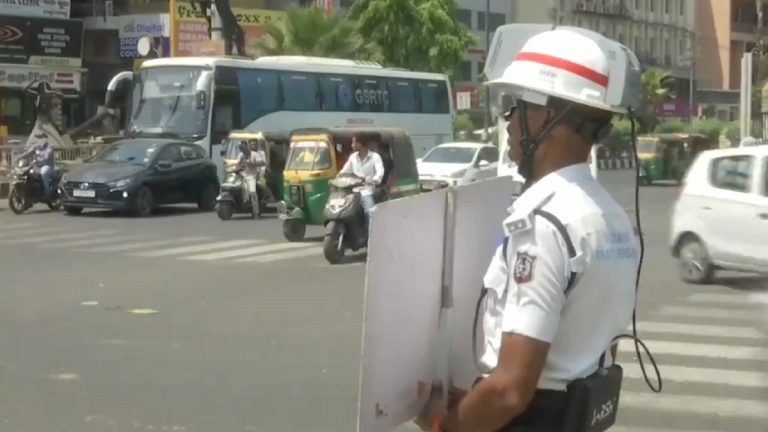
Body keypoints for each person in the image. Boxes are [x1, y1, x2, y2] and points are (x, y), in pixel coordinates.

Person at [416, 28, 640, 432]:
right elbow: (584, 351)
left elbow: (510, 392)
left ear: (545, 115)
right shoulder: (611, 217)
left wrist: (443, 426)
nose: (507, 120)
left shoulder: (544, 224)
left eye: (514, 105)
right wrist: (475, 403)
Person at [337, 134, 385, 228]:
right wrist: (339, 176)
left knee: (370, 212)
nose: (351, 145)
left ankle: (369, 236)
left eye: (353, 143)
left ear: (360, 144)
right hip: (352, 190)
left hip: (367, 190)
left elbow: (380, 173)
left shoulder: (375, 157)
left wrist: (373, 180)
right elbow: (344, 172)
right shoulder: (352, 157)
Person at [19, 133, 55, 198]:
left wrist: (38, 159)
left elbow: (47, 157)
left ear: (45, 139)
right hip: (37, 166)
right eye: (38, 138)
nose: (39, 140)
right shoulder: (35, 147)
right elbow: (28, 153)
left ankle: (47, 192)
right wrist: (19, 157)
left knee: (44, 173)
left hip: (47, 166)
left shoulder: (50, 147)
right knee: (26, 172)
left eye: (41, 138)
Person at [236, 140, 264, 212]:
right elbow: (238, 165)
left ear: (247, 147)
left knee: (252, 192)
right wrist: (237, 169)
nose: (242, 149)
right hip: (243, 176)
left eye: (243, 147)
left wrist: (253, 163)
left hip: (252, 175)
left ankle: (256, 211)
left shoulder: (254, 154)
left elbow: (262, 162)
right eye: (240, 148)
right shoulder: (241, 156)